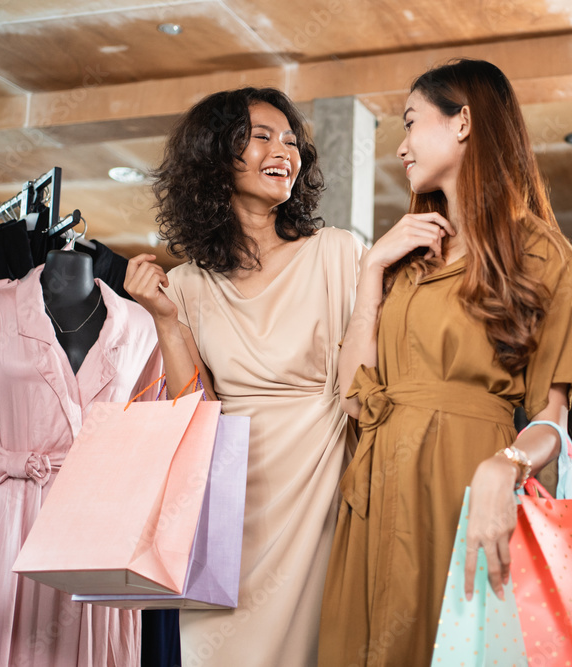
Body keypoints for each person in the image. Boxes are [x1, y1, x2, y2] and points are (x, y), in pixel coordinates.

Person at [318, 59, 572, 665]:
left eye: (411, 122)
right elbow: (355, 398)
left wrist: (510, 460)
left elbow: (552, 418)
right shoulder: (407, 254)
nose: (401, 146)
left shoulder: (545, 255)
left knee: (458, 645)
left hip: (466, 488)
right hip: (375, 489)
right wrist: (371, 274)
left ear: (463, 121)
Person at [123, 87, 365, 666]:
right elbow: (194, 408)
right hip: (228, 508)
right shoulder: (184, 286)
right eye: (261, 136)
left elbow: (368, 384)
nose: (284, 149)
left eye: (291, 140)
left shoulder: (336, 254)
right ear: (216, 155)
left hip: (322, 490)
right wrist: (165, 321)